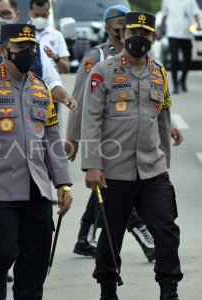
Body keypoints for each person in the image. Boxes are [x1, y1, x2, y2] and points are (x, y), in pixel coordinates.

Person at [0, 23, 73, 300]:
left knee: (35, 258)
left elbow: (51, 136)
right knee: (3, 250)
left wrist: (63, 182)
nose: (28, 52)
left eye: (31, 47)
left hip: (37, 188)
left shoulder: (40, 87)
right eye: (21, 47)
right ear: (2, 50)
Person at [81, 12, 182, 299]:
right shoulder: (102, 71)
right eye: (133, 32)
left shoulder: (159, 72)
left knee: (166, 229)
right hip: (114, 172)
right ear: (122, 35)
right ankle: (108, 288)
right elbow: (92, 120)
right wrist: (92, 165)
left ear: (155, 37)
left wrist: (165, 166)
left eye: (145, 34)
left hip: (153, 171)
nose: (139, 38)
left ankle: (168, 288)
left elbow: (162, 119)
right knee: (110, 236)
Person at [66, 5, 157, 263]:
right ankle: (144, 235)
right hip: (106, 141)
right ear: (108, 28)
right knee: (118, 192)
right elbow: (81, 99)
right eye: (119, 25)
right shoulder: (97, 57)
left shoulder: (141, 56)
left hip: (134, 141)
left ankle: (85, 238)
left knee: (104, 191)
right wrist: (74, 138)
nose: (123, 29)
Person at [0, 0, 77, 114]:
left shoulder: (35, 48)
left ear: (17, 15)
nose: (1, 19)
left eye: (6, 13)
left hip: (32, 118)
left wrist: (65, 98)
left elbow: (51, 82)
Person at [159, 0, 201, 94]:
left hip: (186, 34)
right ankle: (175, 85)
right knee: (174, 60)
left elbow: (196, 14)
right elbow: (164, 15)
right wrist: (161, 30)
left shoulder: (190, 1)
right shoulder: (167, 1)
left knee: (187, 60)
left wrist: (198, 24)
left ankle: (182, 80)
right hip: (172, 33)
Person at [28, 0, 70, 74]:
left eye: (44, 15)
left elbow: (66, 70)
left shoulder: (57, 35)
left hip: (51, 84)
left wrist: (56, 58)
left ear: (48, 14)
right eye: (37, 15)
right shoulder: (20, 35)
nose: (40, 19)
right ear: (30, 13)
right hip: (29, 83)